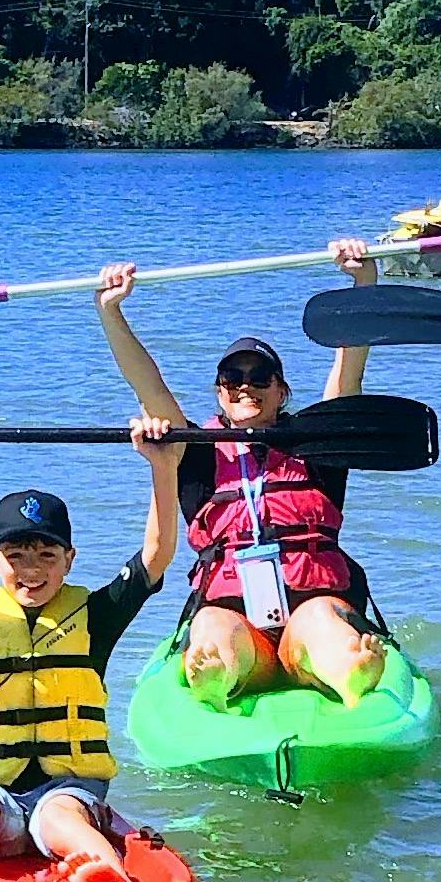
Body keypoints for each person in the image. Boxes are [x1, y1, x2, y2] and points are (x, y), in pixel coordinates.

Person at [0, 411, 184, 882]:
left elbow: (157, 552)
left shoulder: (96, 616)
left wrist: (162, 466)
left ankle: (103, 872)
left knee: (58, 818)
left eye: (46, 555)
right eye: (15, 556)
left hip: (69, 789)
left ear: (69, 560)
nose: (31, 569)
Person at [96, 238, 387, 706]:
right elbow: (146, 383)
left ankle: (349, 672)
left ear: (281, 391)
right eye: (232, 379)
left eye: (258, 378)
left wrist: (362, 284)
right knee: (211, 628)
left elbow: (348, 373)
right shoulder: (193, 452)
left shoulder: (318, 446)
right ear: (218, 392)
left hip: (308, 609)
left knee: (319, 624)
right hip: (238, 620)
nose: (244, 387)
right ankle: (216, 678)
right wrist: (111, 313)